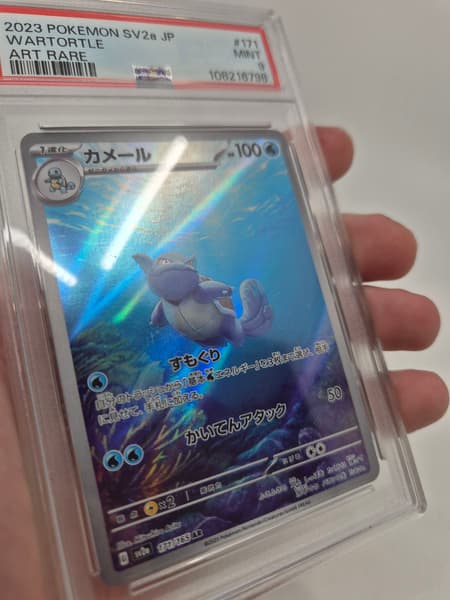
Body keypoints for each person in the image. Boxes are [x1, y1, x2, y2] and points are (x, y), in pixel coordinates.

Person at [0, 126, 448, 600]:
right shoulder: (163, 301)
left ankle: (254, 318)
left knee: (242, 331)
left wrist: (226, 293)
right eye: (159, 272)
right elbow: (159, 312)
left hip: (221, 327)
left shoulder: (198, 286)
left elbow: (212, 289)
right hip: (200, 348)